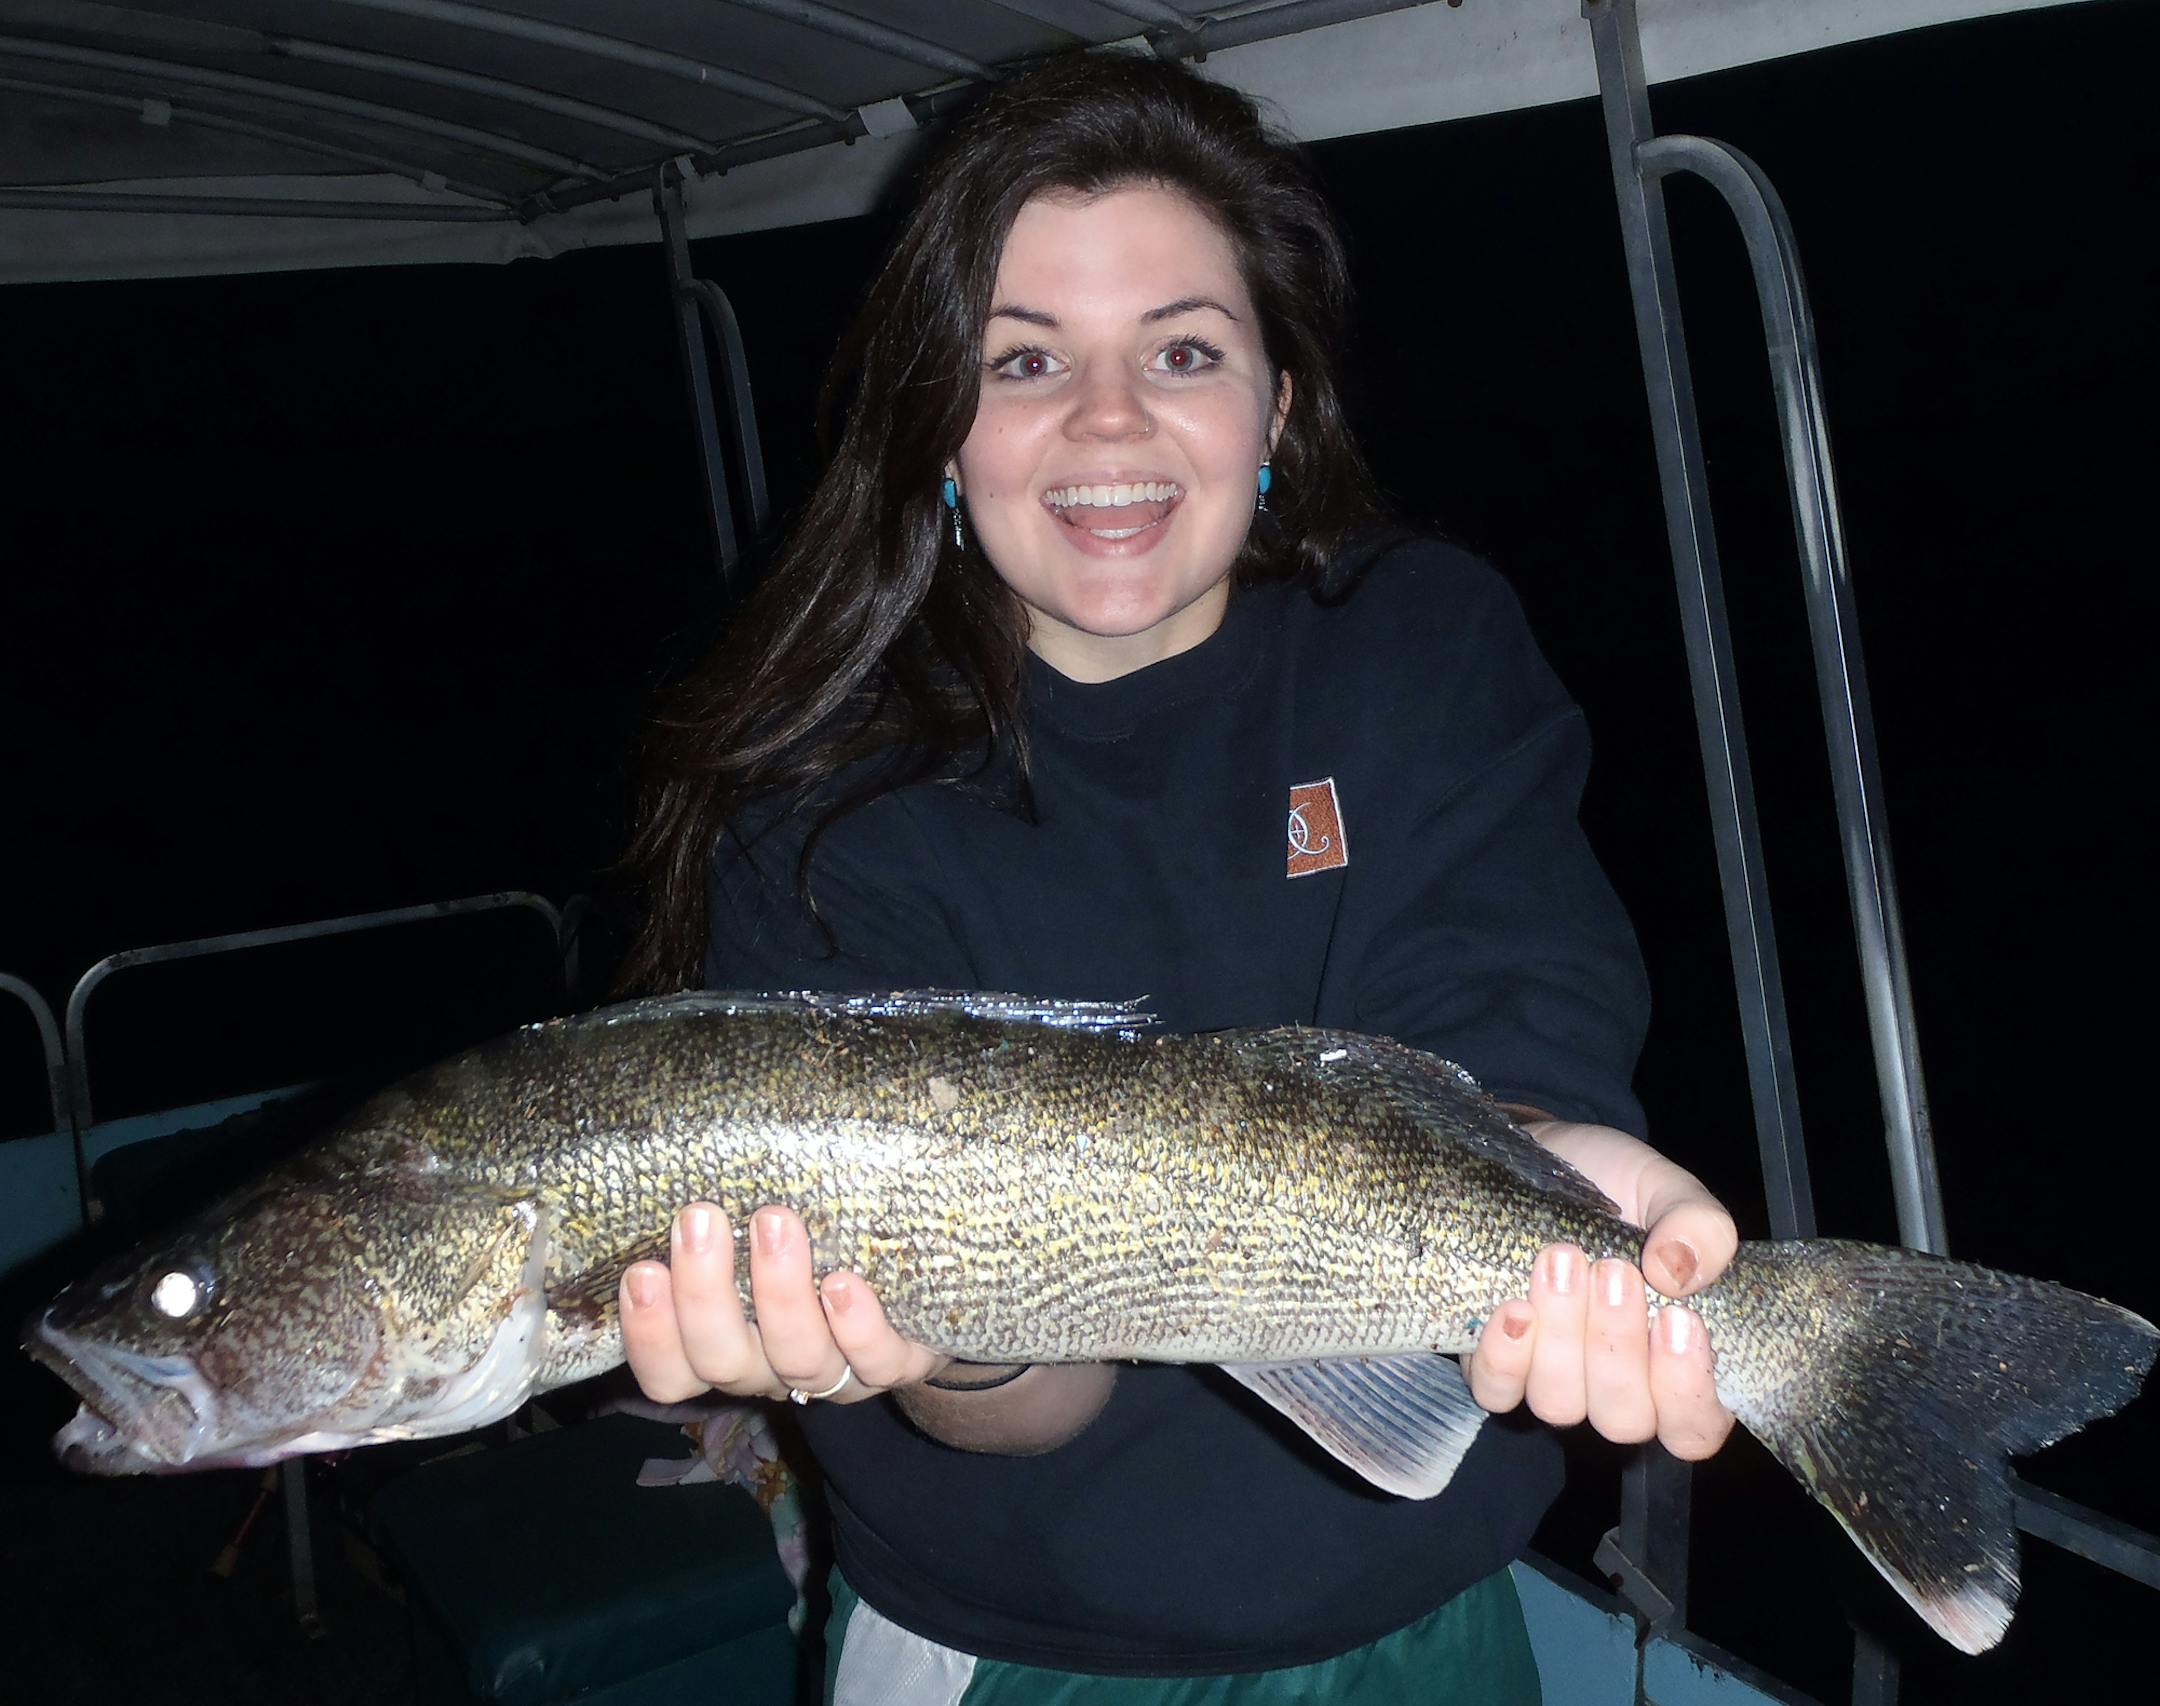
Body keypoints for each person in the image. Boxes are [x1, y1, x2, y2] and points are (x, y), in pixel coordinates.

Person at [614, 51, 1736, 1705]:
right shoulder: (821, 796)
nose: (1109, 422)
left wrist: (1558, 1169)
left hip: (1430, 1624)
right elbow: (1023, 1407)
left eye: (1183, 351)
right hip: (1018, 1654)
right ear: (937, 424)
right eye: (1023, 360)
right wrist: (958, 1331)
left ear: (1277, 403)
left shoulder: (1422, 647)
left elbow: (1509, 1017)